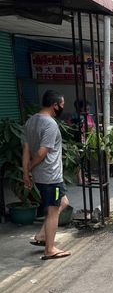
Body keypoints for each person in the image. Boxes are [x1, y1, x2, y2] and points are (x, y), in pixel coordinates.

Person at [22, 90, 71, 260]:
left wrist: (26, 172)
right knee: (52, 211)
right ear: (54, 105)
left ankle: (42, 236)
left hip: (41, 175)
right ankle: (49, 249)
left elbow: (26, 150)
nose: (62, 108)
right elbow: (42, 152)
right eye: (62, 105)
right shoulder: (50, 124)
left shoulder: (30, 121)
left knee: (63, 202)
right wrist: (28, 169)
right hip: (50, 176)